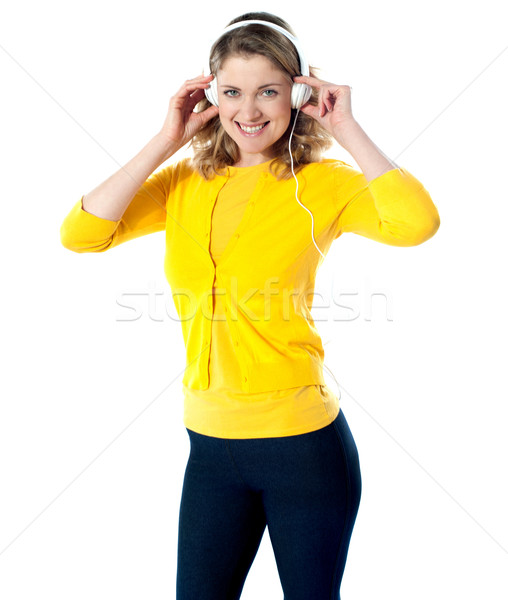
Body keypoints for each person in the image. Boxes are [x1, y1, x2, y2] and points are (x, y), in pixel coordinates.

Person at [60, 11, 440, 600]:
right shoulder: (183, 182)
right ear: (210, 95)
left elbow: (417, 223)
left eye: (269, 90)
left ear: (299, 92)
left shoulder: (323, 184)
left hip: (304, 448)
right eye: (232, 91)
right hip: (209, 448)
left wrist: (348, 129)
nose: (250, 110)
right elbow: (81, 234)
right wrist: (167, 139)